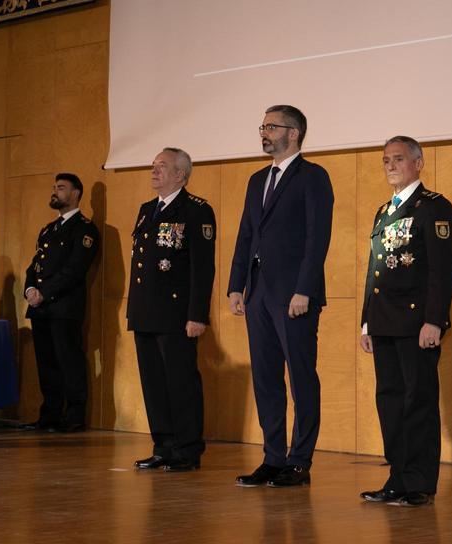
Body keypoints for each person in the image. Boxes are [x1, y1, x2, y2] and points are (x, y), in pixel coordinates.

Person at [228, 105, 334, 487]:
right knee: (266, 378)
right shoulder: (257, 179)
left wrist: (304, 288)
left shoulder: (313, 177)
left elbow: (316, 238)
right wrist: (235, 285)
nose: (264, 132)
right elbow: (246, 235)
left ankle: (299, 460)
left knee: (301, 378)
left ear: (293, 133)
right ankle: (273, 458)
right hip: (258, 294)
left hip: (294, 296)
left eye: (271, 126)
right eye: (263, 125)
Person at [359, 136, 452, 507]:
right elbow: (375, 271)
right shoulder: (384, 211)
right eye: (386, 160)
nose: (391, 165)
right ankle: (397, 476)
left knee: (418, 401)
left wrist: (435, 320)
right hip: (384, 322)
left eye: (398, 159)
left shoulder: (433, 207)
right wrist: (366, 321)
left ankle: (418, 482)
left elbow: (441, 270)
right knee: (390, 401)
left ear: (419, 162)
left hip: (417, 324)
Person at [127, 148, 216, 471]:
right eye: (153, 166)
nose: (154, 171)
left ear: (181, 174)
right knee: (153, 383)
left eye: (161, 167)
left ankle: (188, 449)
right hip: (145, 311)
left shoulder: (196, 211)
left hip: (177, 314)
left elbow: (202, 268)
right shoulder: (147, 209)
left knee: (180, 382)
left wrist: (197, 314)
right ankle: (163, 445)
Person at [22, 173, 99, 433]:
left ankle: (74, 417)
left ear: (76, 193)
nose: (55, 192)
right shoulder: (48, 229)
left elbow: (75, 269)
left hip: (64, 307)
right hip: (41, 307)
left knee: (69, 361)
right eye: (54, 187)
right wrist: (30, 288)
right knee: (47, 364)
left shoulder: (85, 228)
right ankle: (50, 415)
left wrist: (45, 293)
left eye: (62, 188)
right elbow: (35, 265)